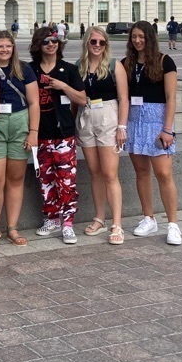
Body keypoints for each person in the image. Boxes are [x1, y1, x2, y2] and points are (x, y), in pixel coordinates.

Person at [123, 20, 181, 245]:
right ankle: (149, 218)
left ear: (150, 38)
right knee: (141, 172)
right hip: (135, 122)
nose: (138, 41)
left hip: (158, 123)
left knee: (164, 174)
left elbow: (171, 98)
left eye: (142, 37)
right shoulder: (126, 63)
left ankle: (173, 224)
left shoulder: (165, 61)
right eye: (134, 37)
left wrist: (167, 129)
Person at [29, 26, 87, 244]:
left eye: (54, 41)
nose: (51, 44)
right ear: (38, 45)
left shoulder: (68, 70)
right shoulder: (30, 70)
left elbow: (82, 99)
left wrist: (63, 86)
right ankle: (51, 218)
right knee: (45, 180)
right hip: (41, 134)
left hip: (63, 134)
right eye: (46, 42)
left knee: (66, 180)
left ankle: (68, 222)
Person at [0, 30, 39, 248]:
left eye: (8, 46)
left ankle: (13, 228)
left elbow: (34, 102)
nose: (4, 50)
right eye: (0, 46)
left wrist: (33, 132)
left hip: (19, 123)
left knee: (16, 179)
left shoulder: (24, 69)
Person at [76, 27, 129, 245]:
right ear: (86, 43)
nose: (97, 46)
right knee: (94, 171)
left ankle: (117, 224)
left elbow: (124, 98)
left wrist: (122, 127)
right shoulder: (80, 67)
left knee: (109, 173)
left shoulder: (115, 66)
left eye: (101, 42)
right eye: (93, 42)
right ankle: (100, 218)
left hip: (108, 115)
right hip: (86, 116)